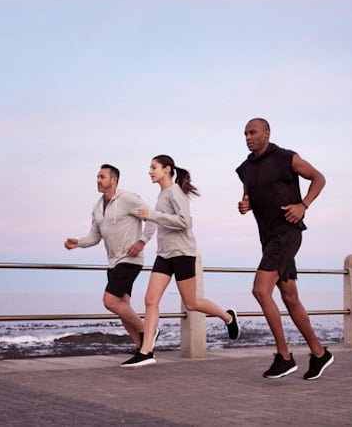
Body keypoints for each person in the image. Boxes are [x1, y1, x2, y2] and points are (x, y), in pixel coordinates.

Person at [235, 117, 334, 380]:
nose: (248, 137)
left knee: (260, 290)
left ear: (267, 133)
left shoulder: (286, 157)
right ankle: (320, 353)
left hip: (287, 233)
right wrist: (246, 206)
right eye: (245, 133)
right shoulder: (245, 168)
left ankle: (284, 356)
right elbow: (250, 198)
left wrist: (303, 205)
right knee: (289, 296)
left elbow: (319, 178)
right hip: (268, 238)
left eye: (253, 132)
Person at [121, 155, 240, 368]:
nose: (150, 171)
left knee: (192, 303)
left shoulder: (176, 192)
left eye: (154, 167)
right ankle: (146, 350)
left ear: (167, 169)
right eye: (150, 167)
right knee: (150, 300)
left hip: (183, 253)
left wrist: (153, 216)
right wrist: (151, 219)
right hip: (164, 254)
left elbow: (185, 223)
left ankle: (228, 317)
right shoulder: (162, 194)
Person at [64, 164, 157, 350]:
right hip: (113, 262)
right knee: (123, 307)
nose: (98, 180)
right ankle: (143, 350)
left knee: (110, 301)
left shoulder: (128, 199)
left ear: (113, 180)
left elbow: (153, 218)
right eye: (97, 177)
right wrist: (78, 243)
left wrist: (141, 242)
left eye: (102, 177)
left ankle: (148, 331)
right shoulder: (97, 207)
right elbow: (95, 236)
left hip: (130, 259)